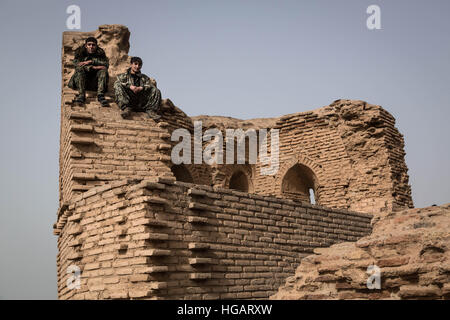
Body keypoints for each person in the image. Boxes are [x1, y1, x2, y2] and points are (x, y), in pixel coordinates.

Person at [68, 37, 109, 106]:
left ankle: (100, 95)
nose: (91, 47)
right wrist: (93, 67)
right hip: (81, 81)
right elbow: (77, 65)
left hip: (94, 82)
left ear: (96, 46)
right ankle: (81, 95)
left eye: (93, 45)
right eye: (89, 44)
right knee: (80, 70)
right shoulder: (80, 52)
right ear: (85, 46)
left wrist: (91, 61)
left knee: (103, 71)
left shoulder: (100, 52)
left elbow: (106, 64)